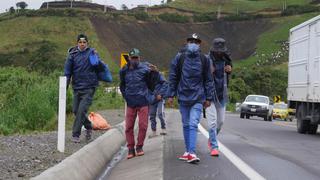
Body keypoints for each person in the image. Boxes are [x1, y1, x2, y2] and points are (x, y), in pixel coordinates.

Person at [167, 33, 215, 163]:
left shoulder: (205, 59)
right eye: (191, 41)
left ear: (199, 44)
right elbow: (173, 76)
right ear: (187, 42)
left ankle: (192, 153)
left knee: (193, 123)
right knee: (186, 124)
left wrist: (209, 97)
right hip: (183, 96)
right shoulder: (179, 57)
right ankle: (188, 151)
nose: (193, 43)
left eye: (196, 41)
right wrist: (171, 94)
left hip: (198, 97)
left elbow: (208, 80)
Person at [64, 34, 111, 143]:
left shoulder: (92, 53)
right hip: (77, 87)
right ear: (77, 43)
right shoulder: (72, 55)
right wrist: (64, 88)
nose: (82, 44)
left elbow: (100, 67)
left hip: (89, 87)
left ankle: (75, 135)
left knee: (81, 110)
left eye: (84, 42)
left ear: (87, 43)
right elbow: (67, 73)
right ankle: (89, 126)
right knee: (76, 110)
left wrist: (96, 59)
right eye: (80, 42)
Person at [120, 48, 163, 159]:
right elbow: (122, 85)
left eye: (136, 58)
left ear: (139, 58)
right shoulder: (124, 70)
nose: (134, 60)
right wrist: (126, 97)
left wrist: (155, 72)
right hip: (130, 103)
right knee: (128, 127)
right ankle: (130, 149)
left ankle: (139, 147)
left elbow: (152, 84)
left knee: (143, 126)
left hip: (143, 102)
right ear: (129, 58)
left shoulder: (145, 68)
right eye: (132, 58)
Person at [206, 37, 232, 156]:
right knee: (212, 122)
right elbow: (201, 76)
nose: (219, 52)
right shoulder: (207, 60)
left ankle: (211, 138)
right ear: (214, 49)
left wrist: (230, 70)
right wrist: (207, 72)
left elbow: (229, 72)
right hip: (210, 95)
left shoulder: (227, 59)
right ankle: (214, 146)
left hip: (222, 94)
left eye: (221, 50)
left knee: (220, 122)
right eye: (218, 50)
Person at [148, 72, 168, 138]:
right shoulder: (146, 77)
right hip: (152, 99)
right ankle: (154, 131)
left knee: (160, 114)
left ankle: (163, 128)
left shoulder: (159, 75)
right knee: (152, 115)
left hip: (160, 99)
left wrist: (161, 94)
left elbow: (165, 84)